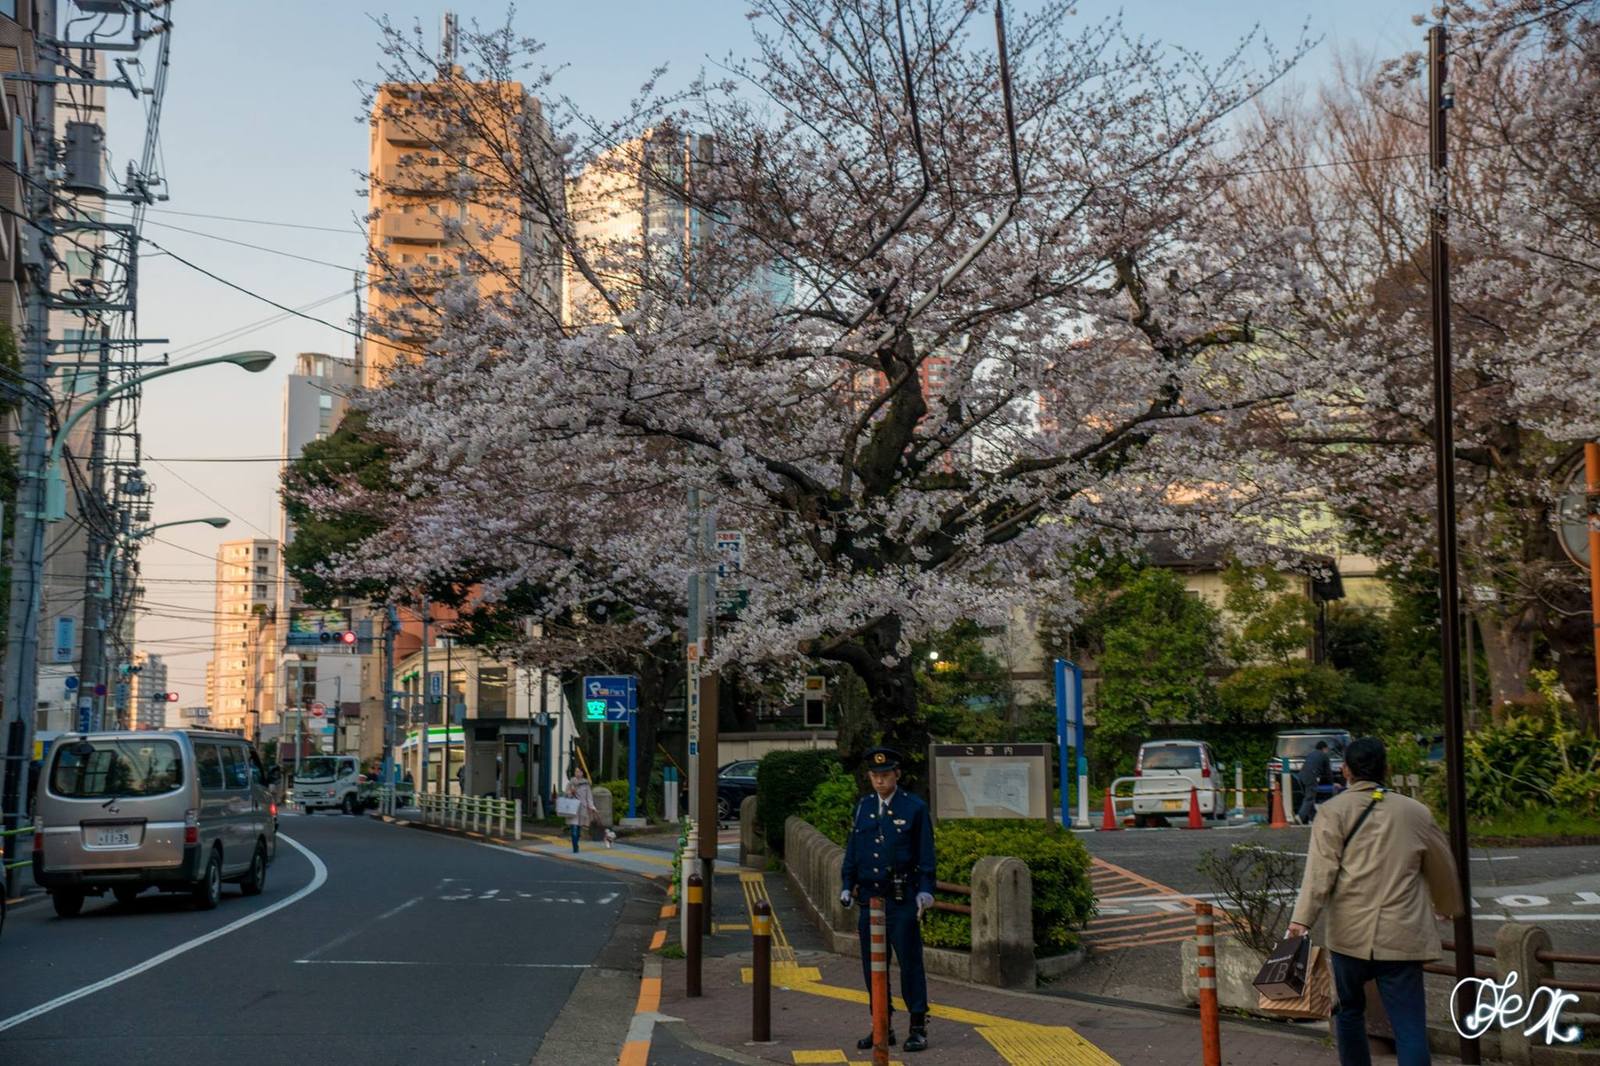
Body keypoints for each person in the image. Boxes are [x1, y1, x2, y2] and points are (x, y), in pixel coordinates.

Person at [1287, 736, 1463, 1066]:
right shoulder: (1416, 813)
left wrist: (1302, 920)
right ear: (1386, 768)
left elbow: (1320, 873)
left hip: (1350, 936)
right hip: (1402, 934)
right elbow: (1442, 865)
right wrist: (1446, 905)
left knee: (1349, 1012)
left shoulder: (1332, 812)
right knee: (1409, 1024)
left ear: (1346, 770)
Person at [838, 746, 936, 1053]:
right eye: (874, 776)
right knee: (872, 965)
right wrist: (846, 883)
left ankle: (917, 1026)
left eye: (885, 775)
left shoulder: (914, 807)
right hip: (870, 898)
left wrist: (925, 889)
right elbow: (853, 849)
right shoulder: (864, 806)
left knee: (909, 962)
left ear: (897, 775)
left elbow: (925, 853)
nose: (879, 781)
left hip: (901, 897)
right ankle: (881, 1023)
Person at [563, 766, 598, 854]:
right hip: (572, 808)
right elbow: (566, 795)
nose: (577, 773)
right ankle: (575, 847)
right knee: (574, 828)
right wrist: (571, 792)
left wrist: (592, 807)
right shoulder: (571, 783)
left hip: (582, 808)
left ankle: (576, 842)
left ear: (582, 773)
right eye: (576, 771)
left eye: (579, 772)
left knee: (578, 829)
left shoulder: (586, 784)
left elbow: (589, 797)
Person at [1298, 740, 1334, 824]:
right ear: (1324, 748)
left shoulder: (1311, 754)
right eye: (1327, 749)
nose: (1327, 751)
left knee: (1309, 798)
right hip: (1311, 777)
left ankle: (1314, 818)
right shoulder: (1324, 756)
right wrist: (1332, 784)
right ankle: (1300, 817)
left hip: (1301, 777)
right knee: (1309, 798)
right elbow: (1328, 772)